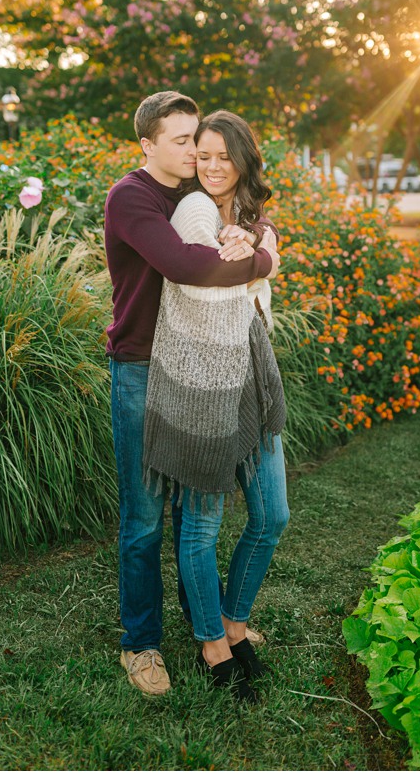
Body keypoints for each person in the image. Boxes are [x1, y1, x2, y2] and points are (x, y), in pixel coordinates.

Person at [104, 92, 279, 696]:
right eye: (181, 141)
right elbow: (185, 265)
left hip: (197, 369)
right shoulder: (132, 196)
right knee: (145, 517)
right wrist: (261, 263)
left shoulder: (190, 192)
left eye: (195, 141)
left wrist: (261, 239)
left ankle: (206, 625)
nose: (192, 151)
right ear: (148, 144)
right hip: (142, 367)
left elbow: (246, 214)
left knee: (191, 512)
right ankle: (141, 644)